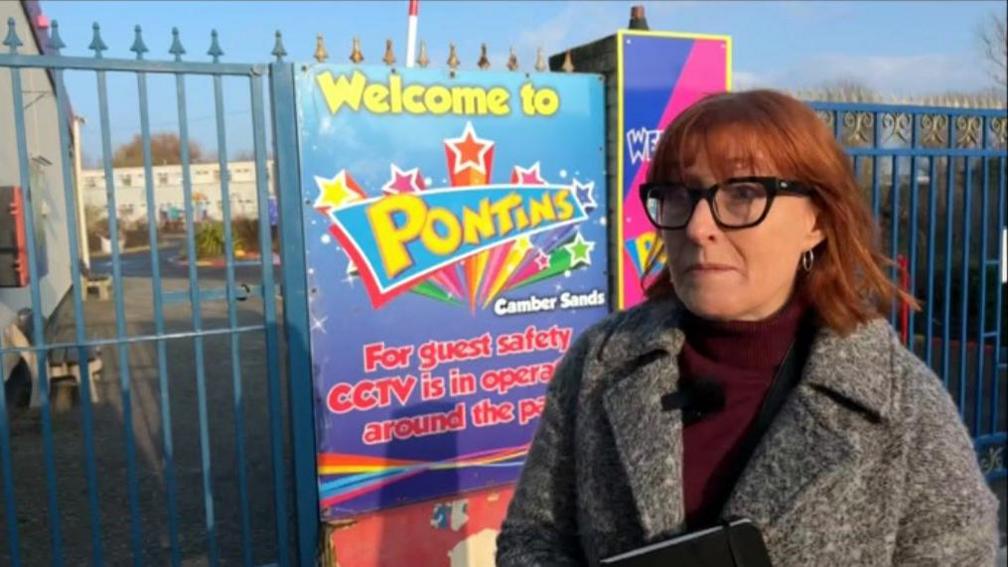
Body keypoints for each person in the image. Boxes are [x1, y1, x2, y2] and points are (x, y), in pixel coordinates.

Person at [496, 90, 999, 566]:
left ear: (818, 221)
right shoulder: (601, 362)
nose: (696, 227)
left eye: (742, 193)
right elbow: (533, 537)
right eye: (677, 195)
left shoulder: (901, 404)